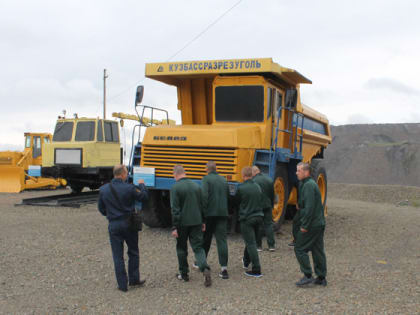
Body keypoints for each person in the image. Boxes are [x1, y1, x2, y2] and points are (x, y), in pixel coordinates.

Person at [98, 164, 148, 292]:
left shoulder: (104, 190)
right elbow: (143, 197)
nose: (127, 176)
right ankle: (134, 279)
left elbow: (101, 209)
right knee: (133, 252)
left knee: (117, 255)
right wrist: (142, 185)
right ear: (122, 174)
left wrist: (111, 215)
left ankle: (122, 285)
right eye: (126, 173)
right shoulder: (129, 188)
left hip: (114, 224)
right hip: (129, 223)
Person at [170, 165, 212, 287]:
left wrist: (174, 226)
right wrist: (203, 221)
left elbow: (175, 209)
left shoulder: (175, 188)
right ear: (184, 173)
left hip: (182, 223)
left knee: (182, 248)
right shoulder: (196, 186)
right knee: (198, 247)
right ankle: (204, 268)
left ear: (175, 174)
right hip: (197, 221)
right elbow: (203, 205)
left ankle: (184, 274)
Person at [294, 162, 327, 286]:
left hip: (312, 224)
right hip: (319, 223)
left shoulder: (308, 185)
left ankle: (307, 275)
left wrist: (305, 226)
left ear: (306, 172)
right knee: (317, 250)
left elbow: (309, 208)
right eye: (297, 170)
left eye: (299, 171)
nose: (296, 173)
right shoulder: (309, 184)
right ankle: (321, 277)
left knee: (299, 247)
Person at [200, 161, 230, 279]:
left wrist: (202, 215)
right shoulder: (223, 180)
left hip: (209, 214)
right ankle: (224, 269)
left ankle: (202, 263)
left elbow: (204, 197)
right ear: (216, 169)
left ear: (206, 169)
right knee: (221, 241)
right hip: (222, 213)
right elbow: (228, 196)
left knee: (206, 239)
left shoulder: (206, 179)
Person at [235, 166, 264, 278]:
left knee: (251, 243)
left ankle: (256, 269)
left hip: (247, 218)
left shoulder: (241, 188)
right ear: (252, 175)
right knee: (251, 241)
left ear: (243, 176)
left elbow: (236, 202)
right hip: (259, 217)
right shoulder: (258, 186)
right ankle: (246, 261)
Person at [252, 166, 275, 252]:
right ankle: (271, 245)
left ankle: (259, 246)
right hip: (268, 205)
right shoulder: (269, 180)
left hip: (258, 207)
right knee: (269, 225)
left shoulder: (253, 181)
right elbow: (272, 194)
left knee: (259, 226)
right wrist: (272, 204)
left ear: (253, 172)